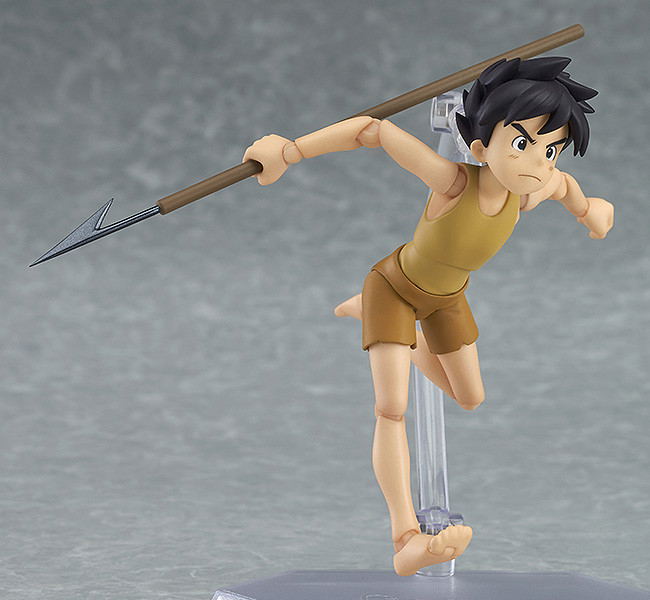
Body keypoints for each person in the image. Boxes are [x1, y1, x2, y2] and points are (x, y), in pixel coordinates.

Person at [241, 57, 613, 576]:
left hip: (447, 299)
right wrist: (289, 151)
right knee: (392, 409)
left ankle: (382, 327)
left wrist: (590, 211)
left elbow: (566, 186)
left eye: (550, 149)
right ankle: (406, 539)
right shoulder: (454, 182)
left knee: (470, 397)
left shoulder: (529, 192)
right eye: (522, 143)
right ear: (480, 147)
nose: (538, 161)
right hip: (395, 289)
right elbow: (373, 131)